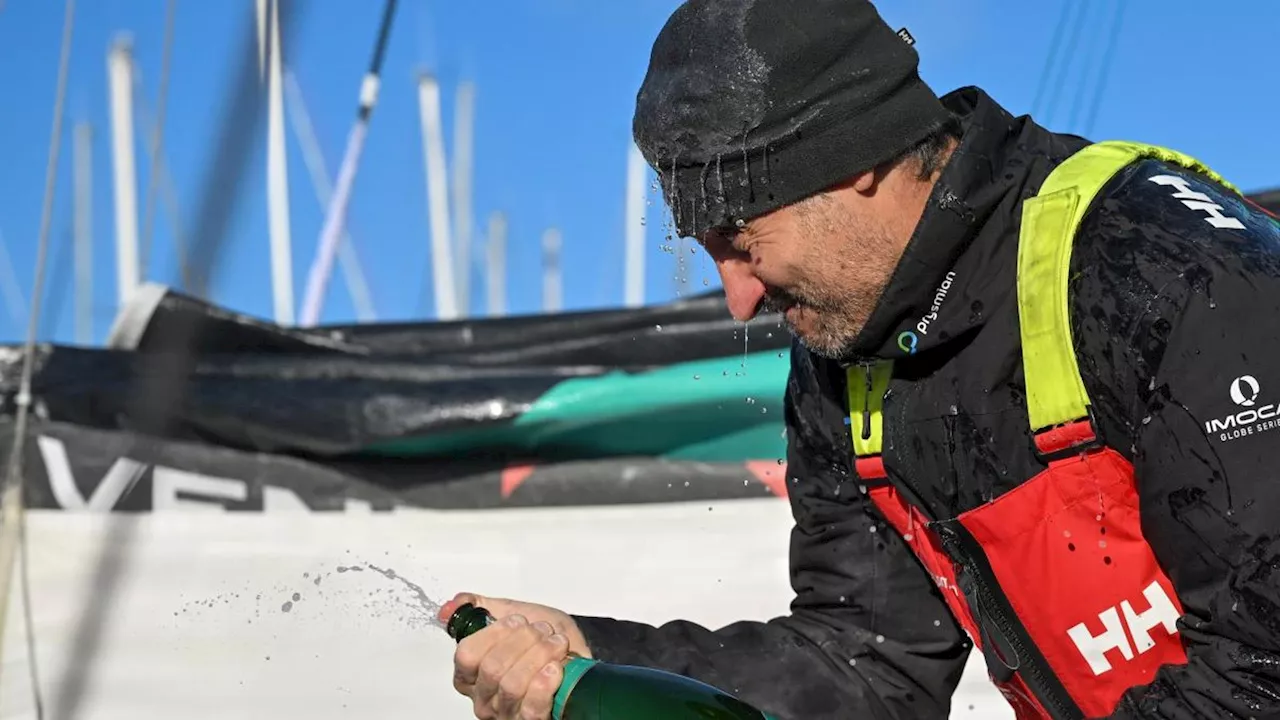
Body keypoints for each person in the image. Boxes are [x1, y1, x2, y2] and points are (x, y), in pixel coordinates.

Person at [437, 0, 1280, 718]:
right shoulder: (846, 353)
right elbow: (866, 665)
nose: (737, 299)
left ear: (857, 160)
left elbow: (1261, 667)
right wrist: (589, 650)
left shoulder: (1162, 264)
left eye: (740, 238)